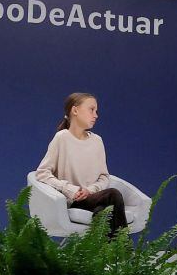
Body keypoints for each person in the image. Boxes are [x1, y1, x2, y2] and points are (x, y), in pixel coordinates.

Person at [35, 92, 128, 236]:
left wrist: (90, 190)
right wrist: (69, 189)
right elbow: (42, 173)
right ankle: (125, 251)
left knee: (102, 211)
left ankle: (103, 254)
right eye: (92, 110)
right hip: (74, 200)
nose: (96, 115)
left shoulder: (97, 141)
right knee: (114, 194)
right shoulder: (62, 138)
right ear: (75, 110)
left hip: (95, 197)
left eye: (96, 111)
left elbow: (104, 177)